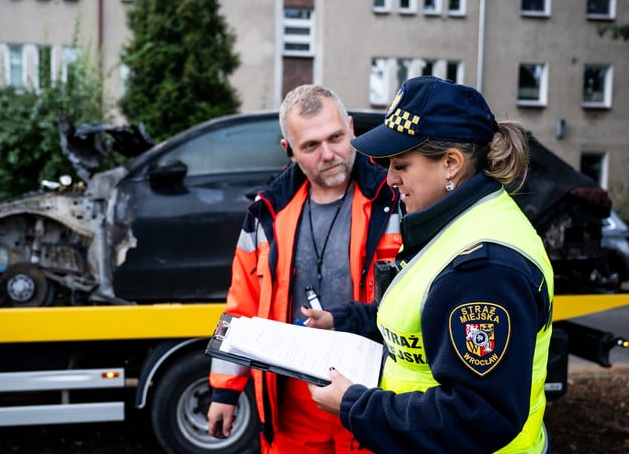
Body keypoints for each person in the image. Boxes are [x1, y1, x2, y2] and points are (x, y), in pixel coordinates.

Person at [305, 76, 555, 453]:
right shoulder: (458, 221)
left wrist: (354, 406)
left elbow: (480, 414)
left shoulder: (484, 269)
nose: (389, 178)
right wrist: (345, 321)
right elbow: (423, 318)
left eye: (401, 164)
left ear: (451, 164)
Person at [207, 84, 402, 453]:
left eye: (336, 137)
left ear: (351, 127)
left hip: (373, 396)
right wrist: (224, 391)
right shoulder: (264, 215)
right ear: (289, 151)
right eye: (311, 146)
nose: (328, 154)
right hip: (291, 403)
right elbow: (241, 307)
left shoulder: (394, 201)